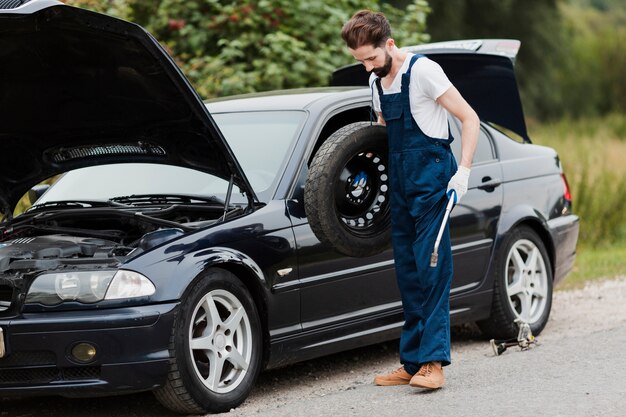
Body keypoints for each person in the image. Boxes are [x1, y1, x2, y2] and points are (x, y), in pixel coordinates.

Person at [341, 10, 479, 389]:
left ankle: (434, 364)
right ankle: (413, 361)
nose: (367, 66)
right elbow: (386, 137)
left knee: (432, 269)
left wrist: (463, 172)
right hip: (401, 186)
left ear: (389, 44)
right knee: (408, 273)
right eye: (360, 61)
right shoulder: (376, 82)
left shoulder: (424, 72)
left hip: (433, 183)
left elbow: (470, 119)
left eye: (371, 57)